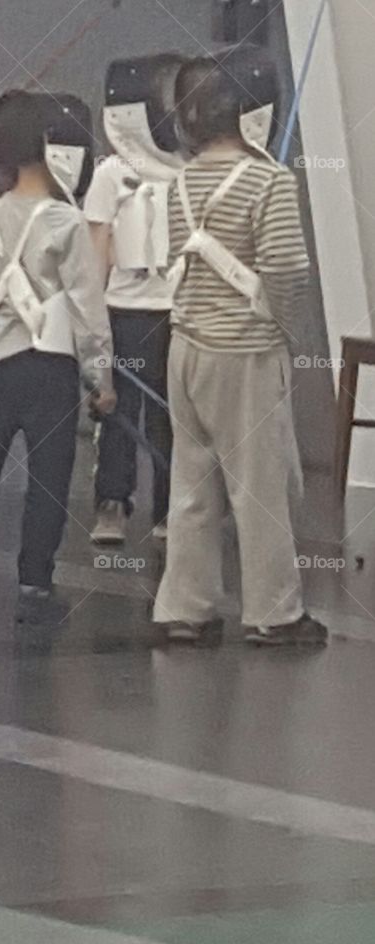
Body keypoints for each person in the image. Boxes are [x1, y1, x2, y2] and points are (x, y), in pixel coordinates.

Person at [153, 55, 328, 646]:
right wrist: (285, 322)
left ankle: (186, 608)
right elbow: (286, 266)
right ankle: (275, 615)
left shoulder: (178, 181)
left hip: (185, 350)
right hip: (245, 353)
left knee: (192, 487)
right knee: (261, 487)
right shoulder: (271, 180)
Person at [0, 89, 116, 623]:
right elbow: (86, 308)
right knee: (48, 483)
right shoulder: (66, 222)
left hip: (1, 369)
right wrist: (101, 377)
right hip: (53, 371)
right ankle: (34, 586)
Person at [84, 54, 184, 545]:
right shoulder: (110, 175)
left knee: (172, 415)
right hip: (125, 311)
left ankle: (171, 509)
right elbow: (97, 247)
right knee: (118, 412)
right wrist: (90, 316)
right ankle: (113, 501)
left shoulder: (190, 168)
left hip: (178, 311)